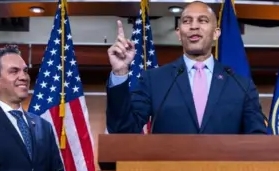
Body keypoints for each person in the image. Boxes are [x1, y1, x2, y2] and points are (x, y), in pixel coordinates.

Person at [105, 1, 266, 134]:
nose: (194, 26)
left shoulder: (241, 86)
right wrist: (120, 72)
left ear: (216, 33)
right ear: (179, 33)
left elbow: (257, 140)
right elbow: (123, 130)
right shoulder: (154, 80)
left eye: (203, 20)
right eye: (187, 21)